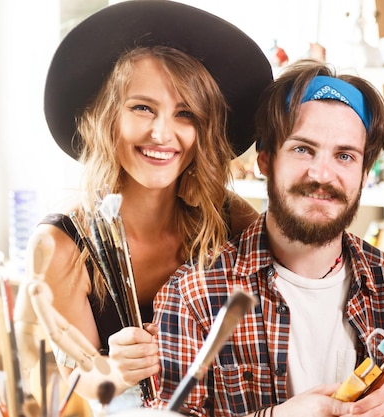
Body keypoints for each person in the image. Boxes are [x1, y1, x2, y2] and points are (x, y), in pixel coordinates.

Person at [14, 0, 273, 410]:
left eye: (185, 113)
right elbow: (72, 389)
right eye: (142, 108)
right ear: (106, 117)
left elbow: (303, 273)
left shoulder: (230, 220)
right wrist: (115, 369)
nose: (161, 133)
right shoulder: (62, 247)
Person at [154, 59, 384, 416]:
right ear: (265, 160)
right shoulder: (194, 297)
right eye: (302, 149)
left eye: (344, 156)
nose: (323, 174)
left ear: (363, 174)